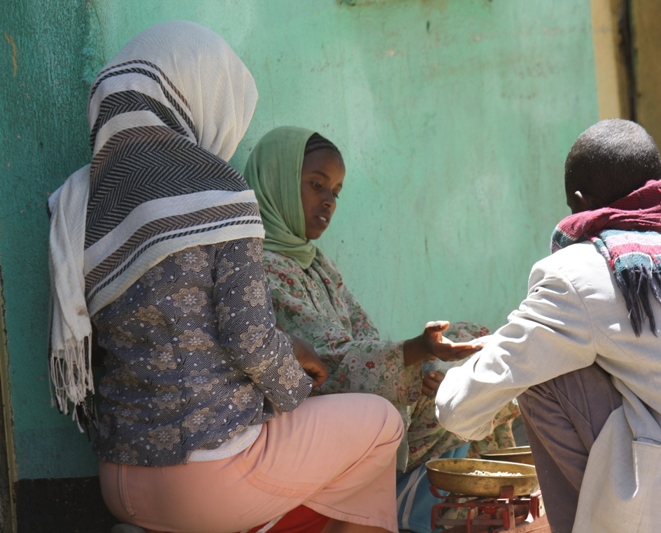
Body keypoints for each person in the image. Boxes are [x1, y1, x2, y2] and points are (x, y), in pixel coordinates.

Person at [47, 21, 403, 533]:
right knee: (382, 424)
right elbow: (248, 338)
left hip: (118, 481)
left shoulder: (82, 203)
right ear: (198, 95)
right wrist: (297, 391)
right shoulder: (216, 189)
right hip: (201, 480)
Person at [435, 118, 661, 533]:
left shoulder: (582, 271)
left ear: (577, 201)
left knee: (544, 374)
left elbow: (458, 409)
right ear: (658, 185)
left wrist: (452, 378)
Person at [242, 126, 520, 533]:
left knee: (479, 352)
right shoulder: (262, 269)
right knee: (471, 389)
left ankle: (487, 504)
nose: (328, 201)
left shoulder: (316, 263)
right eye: (316, 185)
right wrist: (416, 354)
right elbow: (329, 363)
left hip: (368, 397)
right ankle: (439, 511)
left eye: (335, 191)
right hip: (324, 426)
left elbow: (364, 340)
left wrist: (425, 369)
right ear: (276, 182)